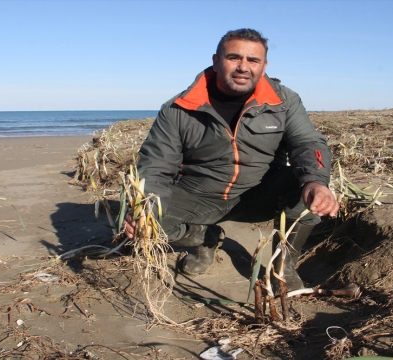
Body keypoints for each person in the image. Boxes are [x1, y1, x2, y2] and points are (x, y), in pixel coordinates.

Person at [124, 28, 339, 292]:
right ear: (216, 61)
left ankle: (283, 267)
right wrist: (145, 210)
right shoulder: (178, 108)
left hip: (259, 194)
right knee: (140, 226)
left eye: (253, 60)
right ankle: (204, 237)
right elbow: (156, 166)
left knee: (305, 191)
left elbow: (308, 143)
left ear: (264, 65)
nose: (243, 67)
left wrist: (316, 181)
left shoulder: (284, 101)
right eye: (234, 58)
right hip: (199, 195)